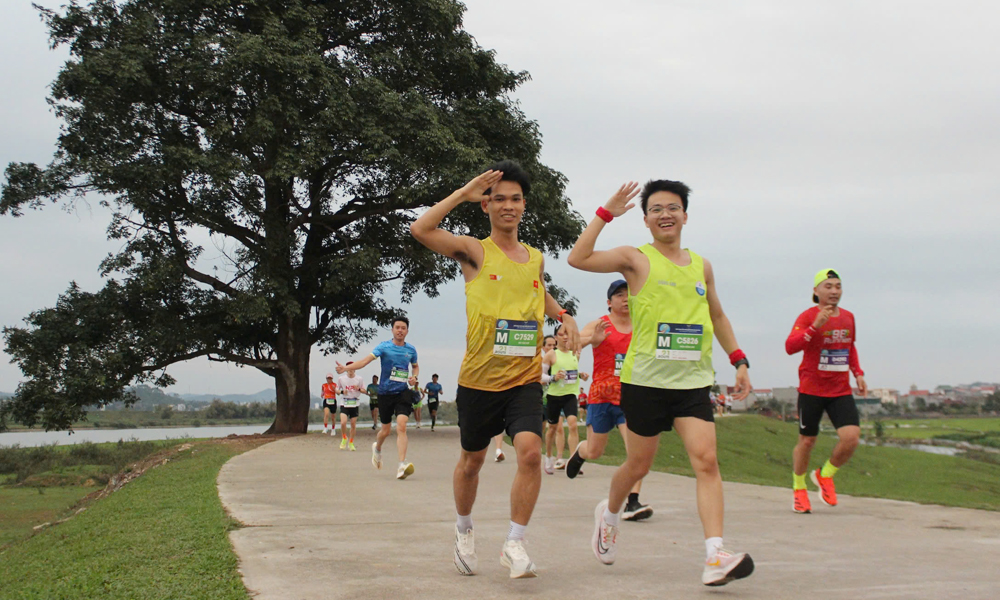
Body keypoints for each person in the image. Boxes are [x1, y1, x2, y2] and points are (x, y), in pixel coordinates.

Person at [567, 180, 754, 586]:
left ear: (685, 215)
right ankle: (609, 515)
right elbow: (577, 258)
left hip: (692, 382)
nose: (665, 214)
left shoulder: (702, 266)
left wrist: (738, 359)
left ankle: (715, 555)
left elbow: (717, 316)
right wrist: (605, 213)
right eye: (656, 209)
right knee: (638, 465)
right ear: (646, 219)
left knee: (706, 461)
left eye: (673, 207)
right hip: (645, 382)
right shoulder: (635, 259)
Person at [411, 161, 580, 579]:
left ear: (524, 205)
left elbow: (537, 293)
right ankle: (464, 529)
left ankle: (514, 542)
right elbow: (421, 229)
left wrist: (563, 314)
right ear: (486, 205)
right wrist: (462, 193)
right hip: (479, 381)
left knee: (530, 452)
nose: (508, 206)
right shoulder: (474, 251)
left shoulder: (535, 258)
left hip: (523, 379)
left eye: (515, 199)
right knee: (472, 462)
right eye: (499, 199)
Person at [565, 279, 652, 521]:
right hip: (601, 397)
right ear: (609, 302)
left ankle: (632, 502)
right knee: (595, 451)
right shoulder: (600, 324)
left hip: (631, 397)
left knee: (636, 453)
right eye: (619, 295)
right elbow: (572, 344)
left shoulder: (642, 324)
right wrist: (592, 340)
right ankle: (581, 452)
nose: (625, 299)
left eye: (629, 294)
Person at [786, 269, 867, 515]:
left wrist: (858, 373)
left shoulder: (849, 317)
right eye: (828, 286)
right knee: (807, 441)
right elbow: (790, 346)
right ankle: (799, 488)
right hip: (811, 389)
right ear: (816, 291)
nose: (834, 291)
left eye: (838, 286)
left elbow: (849, 347)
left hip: (839, 389)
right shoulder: (807, 316)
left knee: (851, 437)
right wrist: (815, 327)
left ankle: (825, 474)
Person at [337, 317, 419, 480]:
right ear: (392, 330)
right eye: (397, 327)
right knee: (385, 430)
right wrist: (346, 368)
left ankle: (401, 465)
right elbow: (365, 361)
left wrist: (414, 377)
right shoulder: (384, 347)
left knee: (401, 426)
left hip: (402, 392)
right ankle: (377, 448)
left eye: (403, 328)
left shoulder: (411, 350)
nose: (400, 330)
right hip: (385, 393)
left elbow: (415, 367)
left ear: (407, 331)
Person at [543, 326, 589, 475]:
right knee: (552, 428)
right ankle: (548, 456)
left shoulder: (575, 353)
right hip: (554, 396)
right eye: (561, 335)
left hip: (570, 394)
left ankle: (573, 460)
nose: (565, 337)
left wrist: (581, 375)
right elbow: (540, 376)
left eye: (567, 334)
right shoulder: (551, 355)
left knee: (573, 425)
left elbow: (572, 372)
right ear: (556, 338)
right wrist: (554, 377)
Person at [338, 368, 364, 451]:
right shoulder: (341, 379)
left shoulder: (359, 379)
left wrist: (358, 389)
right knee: (343, 422)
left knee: (353, 424)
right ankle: (344, 437)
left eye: (352, 369)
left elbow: (364, 390)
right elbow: (336, 390)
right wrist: (342, 392)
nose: (350, 370)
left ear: (354, 370)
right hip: (344, 402)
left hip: (354, 403)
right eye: (349, 369)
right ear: (346, 370)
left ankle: (351, 442)